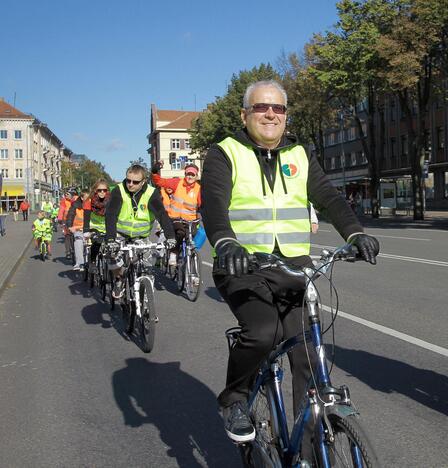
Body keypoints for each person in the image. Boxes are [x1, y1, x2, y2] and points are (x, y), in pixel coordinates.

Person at [200, 80, 380, 448]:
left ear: (285, 115)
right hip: (243, 266)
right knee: (264, 333)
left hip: (294, 267)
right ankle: (234, 399)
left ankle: (309, 442)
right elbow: (214, 204)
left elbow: (328, 197)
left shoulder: (300, 153)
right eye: (261, 107)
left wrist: (354, 233)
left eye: (278, 109)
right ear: (244, 114)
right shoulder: (225, 152)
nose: (270, 114)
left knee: (308, 353)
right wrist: (226, 242)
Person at [104, 164, 176, 298]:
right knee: (111, 256)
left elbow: (161, 214)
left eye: (135, 182)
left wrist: (171, 236)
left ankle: (146, 299)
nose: (130, 184)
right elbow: (111, 214)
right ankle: (119, 280)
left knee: (147, 266)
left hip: (141, 236)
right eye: (128, 180)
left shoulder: (151, 193)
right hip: (120, 234)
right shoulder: (119, 190)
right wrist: (110, 239)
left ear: (143, 182)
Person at [150, 160, 201, 266]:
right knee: (180, 233)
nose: (190, 177)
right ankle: (173, 253)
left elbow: (202, 204)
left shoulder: (199, 189)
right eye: (188, 174)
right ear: (185, 174)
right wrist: (155, 170)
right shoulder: (177, 182)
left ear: (196, 176)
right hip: (175, 218)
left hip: (191, 221)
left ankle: (190, 265)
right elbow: (159, 181)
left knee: (192, 238)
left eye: (193, 175)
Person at [82, 179, 111, 272]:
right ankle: (93, 262)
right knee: (97, 242)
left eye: (104, 190)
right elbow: (86, 217)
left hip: (107, 227)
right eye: (99, 190)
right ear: (95, 190)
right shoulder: (89, 201)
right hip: (94, 227)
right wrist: (86, 231)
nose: (102, 192)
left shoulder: (111, 200)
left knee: (111, 245)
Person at [66, 190, 90, 271]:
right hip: (78, 229)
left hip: (90, 229)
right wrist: (69, 226)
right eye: (87, 198)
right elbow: (70, 216)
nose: (89, 200)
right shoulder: (75, 206)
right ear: (82, 198)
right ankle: (80, 263)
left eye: (89, 198)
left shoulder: (93, 206)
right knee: (78, 241)